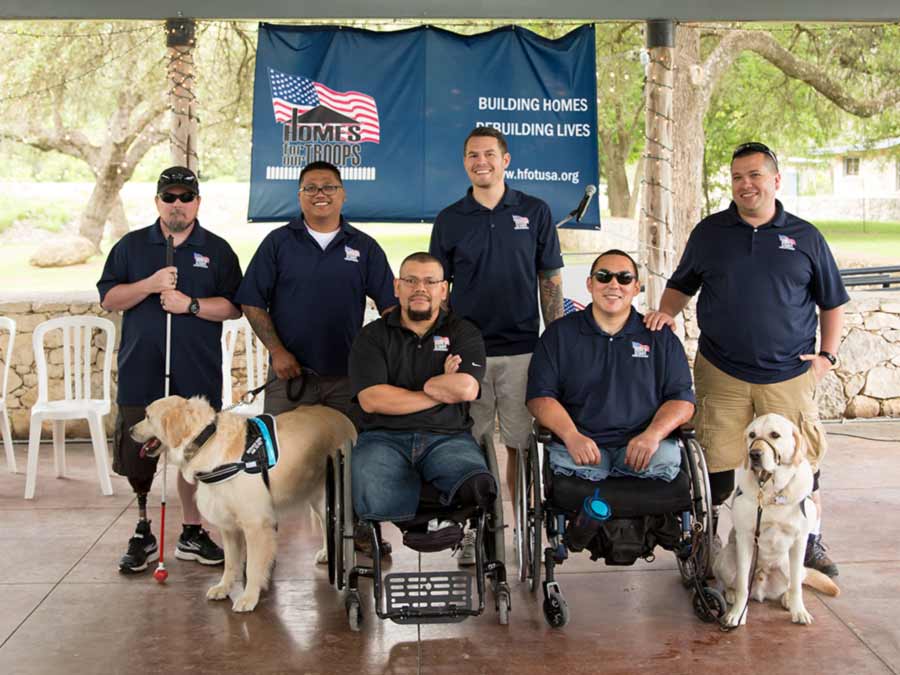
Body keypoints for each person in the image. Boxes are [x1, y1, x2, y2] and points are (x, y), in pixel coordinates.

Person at [644, 142, 849, 577]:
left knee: (799, 466)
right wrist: (666, 313)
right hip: (722, 373)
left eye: (755, 175)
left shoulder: (807, 237)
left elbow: (832, 302)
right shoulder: (710, 233)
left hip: (788, 375)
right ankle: (705, 546)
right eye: (737, 177)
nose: (745, 184)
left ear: (776, 180)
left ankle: (808, 541)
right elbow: (682, 285)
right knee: (717, 467)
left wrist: (826, 357)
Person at [98, 166, 243, 573]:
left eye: (185, 197)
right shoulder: (130, 246)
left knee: (196, 454)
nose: (177, 204)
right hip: (141, 371)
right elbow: (110, 298)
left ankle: (192, 532)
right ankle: (143, 529)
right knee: (138, 454)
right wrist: (149, 285)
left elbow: (233, 307)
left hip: (196, 373)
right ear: (157, 201)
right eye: (169, 197)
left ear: (198, 201)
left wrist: (190, 305)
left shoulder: (217, 249)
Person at [429, 126, 564, 564]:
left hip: (523, 349)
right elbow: (438, 288)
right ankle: (475, 527)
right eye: (472, 155)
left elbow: (550, 280)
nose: (480, 161)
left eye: (489, 154)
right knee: (472, 441)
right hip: (469, 354)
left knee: (521, 445)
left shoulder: (535, 211)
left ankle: (524, 525)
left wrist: (556, 340)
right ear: (464, 162)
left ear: (506, 160)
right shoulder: (450, 218)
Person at [349, 252, 497, 552]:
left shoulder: (463, 332)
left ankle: (423, 524)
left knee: (478, 485)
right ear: (397, 287)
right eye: (411, 280)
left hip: (447, 438)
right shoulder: (372, 336)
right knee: (369, 492)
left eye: (430, 281)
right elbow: (372, 400)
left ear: (443, 290)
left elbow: (466, 388)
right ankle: (429, 523)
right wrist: (435, 388)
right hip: (383, 438)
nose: (420, 288)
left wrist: (407, 394)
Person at [235, 161, 395, 423]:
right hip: (289, 378)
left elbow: (391, 307)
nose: (320, 194)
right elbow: (251, 301)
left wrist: (379, 356)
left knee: (346, 456)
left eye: (329, 187)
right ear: (300, 197)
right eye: (310, 188)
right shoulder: (278, 243)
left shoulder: (365, 247)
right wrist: (277, 351)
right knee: (282, 457)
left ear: (343, 194)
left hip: (347, 379)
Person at [527, 250, 695, 486]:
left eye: (624, 278)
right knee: (570, 481)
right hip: (581, 443)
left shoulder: (660, 337)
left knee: (665, 466)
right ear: (590, 283)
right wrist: (571, 436)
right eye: (603, 276)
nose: (613, 284)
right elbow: (539, 397)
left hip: (645, 444)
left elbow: (683, 401)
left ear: (636, 287)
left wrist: (653, 435)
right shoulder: (559, 335)